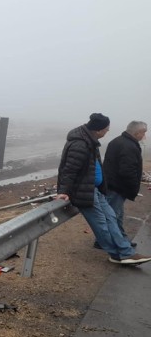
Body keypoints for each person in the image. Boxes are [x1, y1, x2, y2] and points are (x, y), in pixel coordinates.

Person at [55, 113, 151, 265]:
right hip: (83, 191)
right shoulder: (80, 144)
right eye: (106, 129)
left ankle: (125, 252)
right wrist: (64, 191)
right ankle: (120, 254)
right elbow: (70, 169)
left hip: (94, 188)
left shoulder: (90, 141)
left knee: (111, 217)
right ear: (99, 130)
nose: (107, 132)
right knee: (102, 223)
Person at [102, 120, 147, 244]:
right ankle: (105, 241)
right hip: (117, 187)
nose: (145, 136)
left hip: (114, 185)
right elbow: (127, 171)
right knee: (113, 216)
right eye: (144, 133)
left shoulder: (120, 141)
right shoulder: (128, 146)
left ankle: (120, 239)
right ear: (137, 132)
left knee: (116, 215)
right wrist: (133, 188)